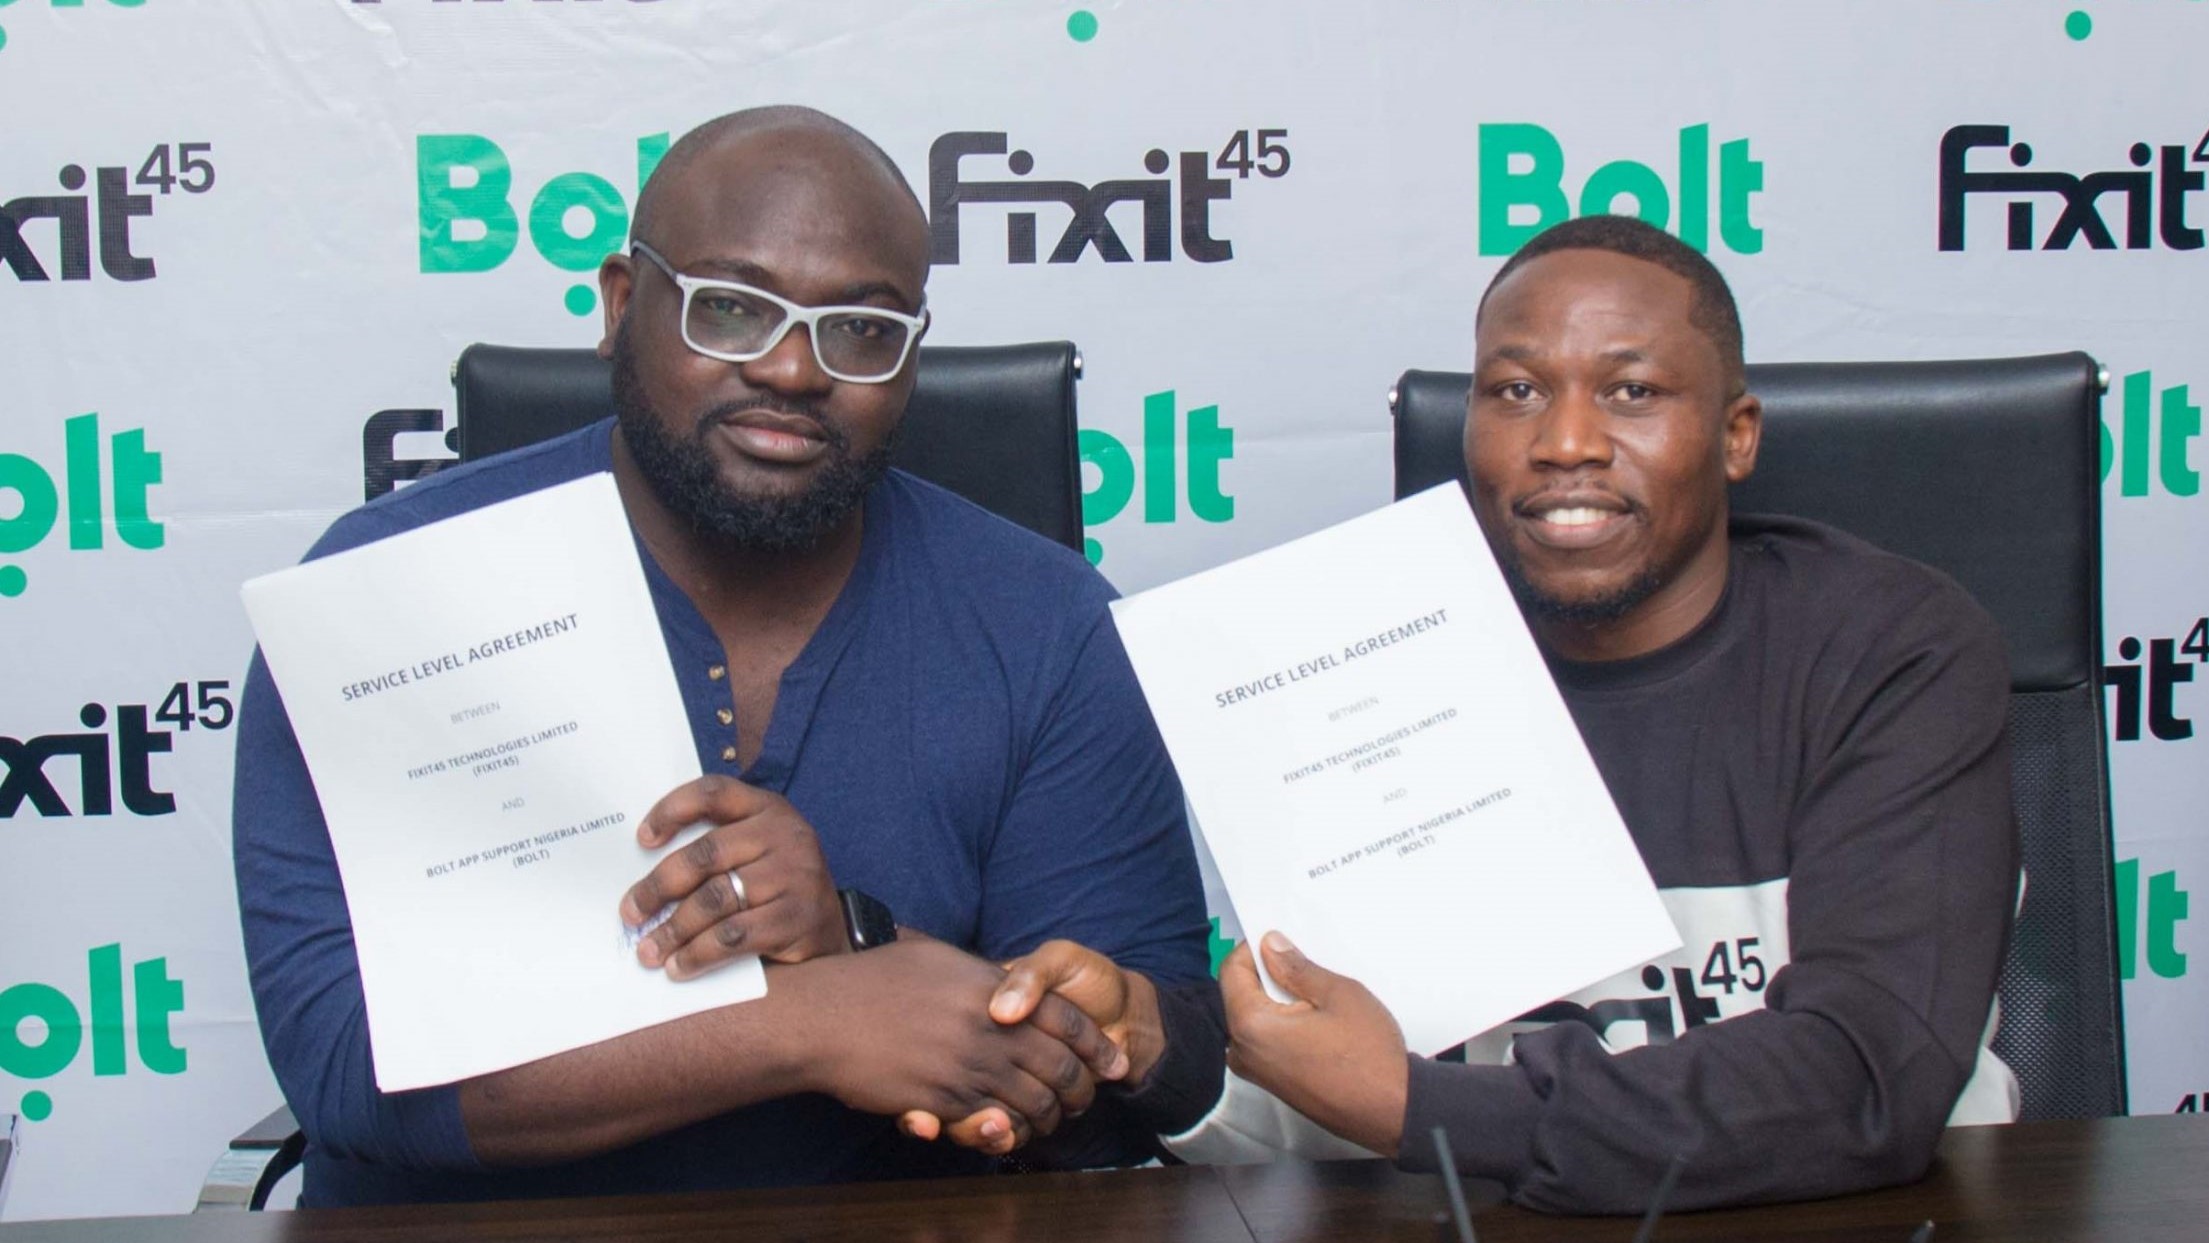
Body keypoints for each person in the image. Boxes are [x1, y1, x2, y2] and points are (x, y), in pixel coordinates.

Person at [231, 105, 1223, 1207]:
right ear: (618, 305)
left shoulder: (1048, 622)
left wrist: (860, 942)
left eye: (861, 326)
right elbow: (346, 1065)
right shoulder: (387, 592)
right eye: (731, 308)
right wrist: (804, 1021)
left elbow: (1148, 1070)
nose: (794, 368)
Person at [970, 214, 2021, 1212]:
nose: (1565, 440)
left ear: (1736, 434)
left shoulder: (1890, 651)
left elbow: (1865, 1079)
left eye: (1632, 391)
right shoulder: (1360, 668)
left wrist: (1422, 1110)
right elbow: (1331, 1098)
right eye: (1515, 390)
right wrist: (1155, 1047)